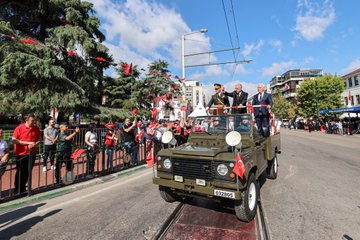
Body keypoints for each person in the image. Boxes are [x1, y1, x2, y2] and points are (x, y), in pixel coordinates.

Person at [12, 113, 42, 194]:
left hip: (32, 153)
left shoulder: (36, 128)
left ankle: (23, 188)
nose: (34, 122)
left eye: (34, 120)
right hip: (21, 154)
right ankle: (17, 189)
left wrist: (35, 144)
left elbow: (39, 139)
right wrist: (27, 143)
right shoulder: (19, 128)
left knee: (28, 171)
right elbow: (14, 140)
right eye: (32, 120)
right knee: (20, 171)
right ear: (26, 120)